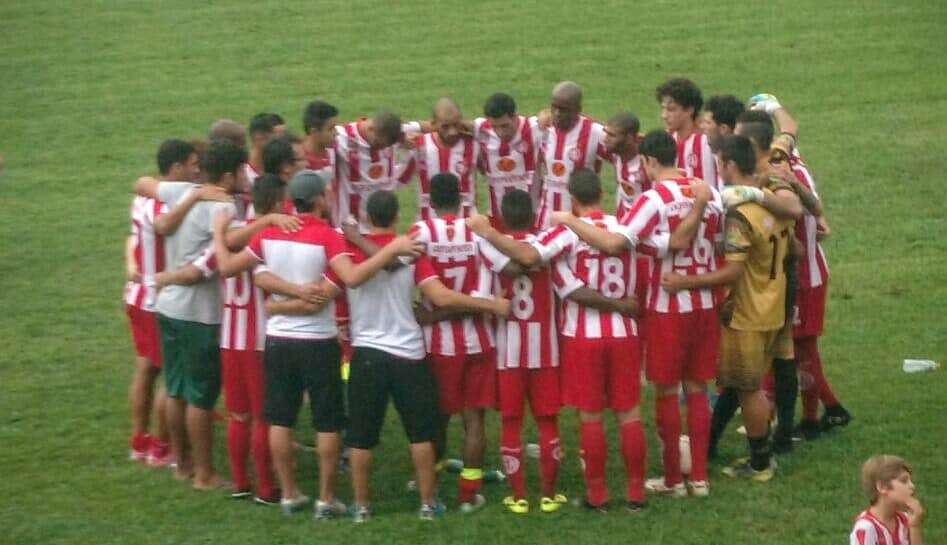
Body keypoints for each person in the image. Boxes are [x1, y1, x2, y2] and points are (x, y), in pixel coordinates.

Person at [210, 170, 425, 518]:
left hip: (278, 340)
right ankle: (326, 497)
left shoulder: (269, 233)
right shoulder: (328, 236)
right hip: (318, 341)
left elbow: (227, 266)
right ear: (317, 200)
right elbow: (351, 277)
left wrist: (219, 233)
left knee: (280, 419)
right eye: (325, 194)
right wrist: (392, 249)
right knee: (327, 421)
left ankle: (289, 494)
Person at [469, 171, 661, 513]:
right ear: (601, 192)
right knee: (629, 414)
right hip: (625, 335)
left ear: (571, 199)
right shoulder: (623, 228)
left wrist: (488, 232)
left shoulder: (565, 232)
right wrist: (621, 305)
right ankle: (635, 494)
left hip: (582, 337)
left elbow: (530, 259)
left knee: (591, 417)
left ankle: (597, 496)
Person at [550, 131, 723, 498]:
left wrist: (569, 220)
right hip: (706, 302)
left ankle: (674, 479)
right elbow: (721, 243)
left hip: (667, 305)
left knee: (666, 391)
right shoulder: (710, 194)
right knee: (697, 388)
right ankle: (700, 478)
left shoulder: (653, 199)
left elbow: (615, 242)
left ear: (648, 161)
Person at [333, 190, 510, 522]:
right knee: (421, 432)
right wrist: (492, 305)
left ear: (367, 217)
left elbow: (342, 283)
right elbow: (439, 295)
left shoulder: (351, 252)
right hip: (409, 354)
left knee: (360, 437)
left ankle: (361, 507)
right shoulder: (411, 251)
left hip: (367, 353)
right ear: (397, 215)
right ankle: (429, 504)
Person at [154, 174, 300, 505]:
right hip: (259, 340)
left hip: (229, 339)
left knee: (238, 415)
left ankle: (240, 482)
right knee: (262, 417)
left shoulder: (228, 237)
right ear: (278, 203)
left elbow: (203, 268)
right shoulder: (270, 236)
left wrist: (166, 276)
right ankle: (266, 487)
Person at [661, 134, 794, 481]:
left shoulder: (738, 215)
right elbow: (794, 251)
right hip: (774, 305)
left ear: (729, 165)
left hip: (746, 312)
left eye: (719, 163)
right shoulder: (773, 205)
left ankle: (761, 463)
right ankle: (753, 453)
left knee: (749, 389)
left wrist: (684, 282)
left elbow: (733, 271)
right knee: (748, 384)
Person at [134, 139, 245, 489]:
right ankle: (204, 474)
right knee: (200, 397)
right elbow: (203, 269)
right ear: (229, 176)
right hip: (199, 314)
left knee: (175, 388)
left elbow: (142, 184)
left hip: (168, 308)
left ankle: (181, 465)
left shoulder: (182, 190)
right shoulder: (224, 210)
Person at [469, 190, 567, 514]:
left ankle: (519, 496)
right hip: (546, 351)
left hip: (507, 352)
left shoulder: (491, 248)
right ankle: (549, 495)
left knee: (511, 422)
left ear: (501, 217)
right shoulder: (545, 246)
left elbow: (483, 295)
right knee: (547, 421)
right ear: (533, 216)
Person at [409, 172, 500, 513]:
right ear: (462, 199)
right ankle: (468, 493)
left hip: (437, 346)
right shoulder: (479, 231)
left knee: (437, 417)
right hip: (479, 340)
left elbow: (397, 263)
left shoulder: (420, 232)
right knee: (474, 420)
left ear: (430, 201)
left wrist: (433, 317)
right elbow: (483, 296)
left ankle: (428, 482)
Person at [125, 139, 199, 466]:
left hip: (138, 296)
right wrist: (196, 196)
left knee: (145, 369)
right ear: (177, 167)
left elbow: (133, 238)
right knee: (172, 376)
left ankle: (139, 439)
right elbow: (164, 226)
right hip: (160, 301)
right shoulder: (169, 206)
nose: (197, 170)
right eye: (192, 165)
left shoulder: (141, 199)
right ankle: (161, 446)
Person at [534, 81, 605, 228]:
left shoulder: (594, 132)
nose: (557, 114)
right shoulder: (542, 128)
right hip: (547, 218)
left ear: (578, 109)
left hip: (580, 222)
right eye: (554, 107)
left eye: (564, 109)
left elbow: (622, 146)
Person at [334, 111, 419, 231]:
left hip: (380, 229)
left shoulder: (393, 131)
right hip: (347, 229)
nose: (380, 149)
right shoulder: (341, 137)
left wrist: (408, 140)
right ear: (372, 128)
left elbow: (430, 126)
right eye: (377, 143)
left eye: (385, 146)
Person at [473, 92, 542, 221]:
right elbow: (452, 123)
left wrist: (546, 113)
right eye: (495, 127)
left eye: (505, 126)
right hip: (498, 217)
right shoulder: (481, 129)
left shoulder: (534, 128)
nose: (500, 132)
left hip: (532, 216)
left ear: (515, 117)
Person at [411, 98, 479, 220]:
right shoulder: (419, 145)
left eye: (456, 125)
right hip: (428, 222)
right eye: (445, 127)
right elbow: (398, 179)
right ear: (433, 124)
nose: (452, 132)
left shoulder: (473, 144)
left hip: (466, 223)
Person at [656, 78, 718, 189]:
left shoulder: (708, 142)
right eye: (663, 108)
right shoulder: (665, 141)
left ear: (689, 110)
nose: (664, 115)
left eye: (671, 109)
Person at [850, 455, 924, 545]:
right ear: (882, 487)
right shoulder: (866, 528)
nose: (912, 486)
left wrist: (914, 526)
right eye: (904, 481)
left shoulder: (905, 519)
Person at [597, 111, 650, 218]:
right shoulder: (616, 154)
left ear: (629, 138)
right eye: (606, 133)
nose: (605, 139)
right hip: (621, 223)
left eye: (612, 135)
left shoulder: (648, 165)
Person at [301, 100, 340, 223]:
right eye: (331, 129)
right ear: (314, 132)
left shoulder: (334, 151)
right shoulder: (298, 161)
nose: (336, 133)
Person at [246, 113, 286, 182]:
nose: (285, 144)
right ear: (259, 138)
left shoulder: (280, 170)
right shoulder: (244, 177)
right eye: (277, 139)